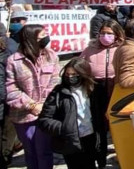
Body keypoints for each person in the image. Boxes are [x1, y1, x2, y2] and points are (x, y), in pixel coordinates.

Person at [5, 24, 59, 169]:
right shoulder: (14, 61)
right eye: (42, 36)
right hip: (23, 115)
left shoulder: (51, 55)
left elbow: (54, 82)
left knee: (45, 151)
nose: (46, 38)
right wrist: (32, 105)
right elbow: (11, 89)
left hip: (45, 113)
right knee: (31, 152)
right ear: (30, 39)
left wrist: (43, 105)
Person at [37, 58, 98, 169]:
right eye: (68, 74)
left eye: (74, 74)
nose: (70, 77)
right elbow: (44, 120)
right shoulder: (58, 93)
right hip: (70, 141)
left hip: (90, 139)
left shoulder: (94, 90)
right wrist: (64, 128)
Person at [79, 19, 123, 169]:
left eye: (109, 33)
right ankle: (101, 158)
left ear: (117, 35)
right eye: (103, 33)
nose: (105, 36)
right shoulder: (90, 49)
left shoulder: (122, 49)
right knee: (99, 127)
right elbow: (79, 65)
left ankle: (122, 155)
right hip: (95, 91)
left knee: (117, 125)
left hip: (115, 90)